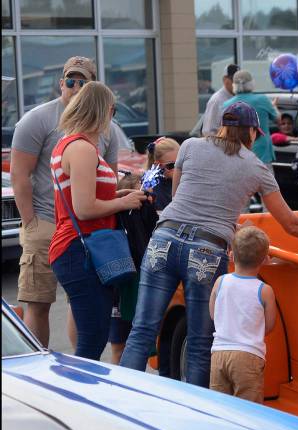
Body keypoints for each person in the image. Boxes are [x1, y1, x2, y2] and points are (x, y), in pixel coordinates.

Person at [119, 101, 298, 387]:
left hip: (165, 238)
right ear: (251, 132)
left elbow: (180, 198)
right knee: (201, 341)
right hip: (206, 249)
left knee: (141, 331)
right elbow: (290, 222)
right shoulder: (256, 168)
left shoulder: (190, 146)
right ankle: (197, 415)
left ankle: (122, 402)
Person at [10, 55, 119, 347]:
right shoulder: (37, 119)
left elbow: (110, 177)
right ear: (61, 83)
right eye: (71, 81)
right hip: (45, 222)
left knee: (79, 304)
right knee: (38, 302)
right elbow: (19, 175)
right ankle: (39, 371)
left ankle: (76, 367)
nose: (76, 86)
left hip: (84, 230)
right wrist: (31, 223)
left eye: (83, 82)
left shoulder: (107, 129)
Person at [49, 82, 149, 361]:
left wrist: (118, 193)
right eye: (112, 109)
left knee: (93, 336)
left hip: (77, 248)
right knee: (92, 341)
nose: (112, 117)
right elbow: (83, 208)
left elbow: (83, 196)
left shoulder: (69, 144)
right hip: (79, 249)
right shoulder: (82, 148)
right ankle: (75, 400)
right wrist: (123, 202)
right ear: (101, 110)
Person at [107, 137, 179, 364]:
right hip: (134, 267)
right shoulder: (148, 186)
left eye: (180, 164)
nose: (176, 170)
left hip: (153, 263)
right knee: (123, 340)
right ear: (157, 164)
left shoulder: (179, 181)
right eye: (171, 166)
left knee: (147, 337)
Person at [208, 226, 276, 403]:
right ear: (264, 260)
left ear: (231, 255)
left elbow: (213, 313)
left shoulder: (221, 281)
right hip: (248, 355)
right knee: (248, 410)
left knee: (219, 406)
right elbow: (269, 325)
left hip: (219, 353)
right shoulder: (265, 290)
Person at [224, 69, 278, 164]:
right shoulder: (263, 100)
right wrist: (274, 107)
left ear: (234, 85)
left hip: (236, 155)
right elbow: (278, 119)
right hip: (261, 155)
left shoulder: (226, 105)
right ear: (252, 83)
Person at [202, 63, 239, 136]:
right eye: (233, 79)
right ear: (225, 79)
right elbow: (208, 131)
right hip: (220, 144)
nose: (236, 83)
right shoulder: (217, 100)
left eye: (238, 80)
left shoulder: (239, 97)